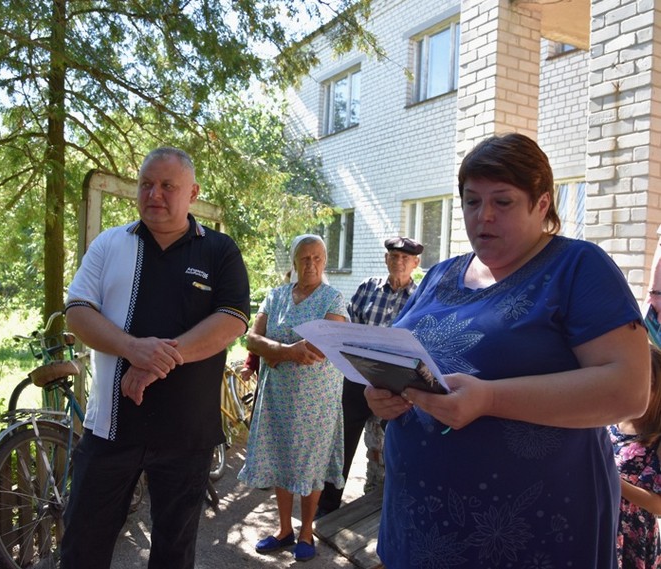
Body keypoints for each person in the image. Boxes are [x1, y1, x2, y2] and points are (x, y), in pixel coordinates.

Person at [365, 132, 650, 568]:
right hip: (419, 526)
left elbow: (628, 391)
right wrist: (383, 395)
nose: (484, 216)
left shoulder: (578, 267)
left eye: (503, 201)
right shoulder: (441, 275)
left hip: (533, 535)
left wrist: (490, 399)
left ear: (542, 203)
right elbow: (407, 360)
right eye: (472, 201)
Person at [60, 147, 250, 569]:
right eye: (146, 184)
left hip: (187, 433)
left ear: (193, 193)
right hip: (110, 428)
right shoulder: (110, 243)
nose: (154, 194)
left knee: (173, 553)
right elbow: (77, 311)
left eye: (167, 185)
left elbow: (233, 320)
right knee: (82, 546)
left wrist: (156, 361)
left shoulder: (219, 250)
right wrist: (133, 348)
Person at [238, 234, 348, 562]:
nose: (310, 264)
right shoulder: (276, 296)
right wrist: (285, 351)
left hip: (317, 401)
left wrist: (273, 352)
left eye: (317, 258)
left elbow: (317, 349)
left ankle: (306, 531)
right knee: (280, 458)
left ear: (324, 262)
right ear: (295, 261)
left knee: (311, 464)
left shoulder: (333, 299)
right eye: (304, 258)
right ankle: (284, 529)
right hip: (277, 397)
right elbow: (251, 339)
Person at [317, 236, 423, 518]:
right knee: (341, 441)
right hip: (359, 375)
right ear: (386, 259)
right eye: (394, 256)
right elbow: (350, 325)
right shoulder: (368, 287)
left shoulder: (420, 297)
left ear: (415, 263)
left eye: (405, 258)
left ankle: (391, 507)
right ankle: (327, 506)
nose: (399, 262)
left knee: (398, 444)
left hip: (398, 383)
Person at [609, 343, 661, 568]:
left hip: (631, 532)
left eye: (649, 382)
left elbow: (658, 505)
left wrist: (613, 481)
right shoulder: (612, 417)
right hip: (601, 516)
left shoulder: (657, 435)